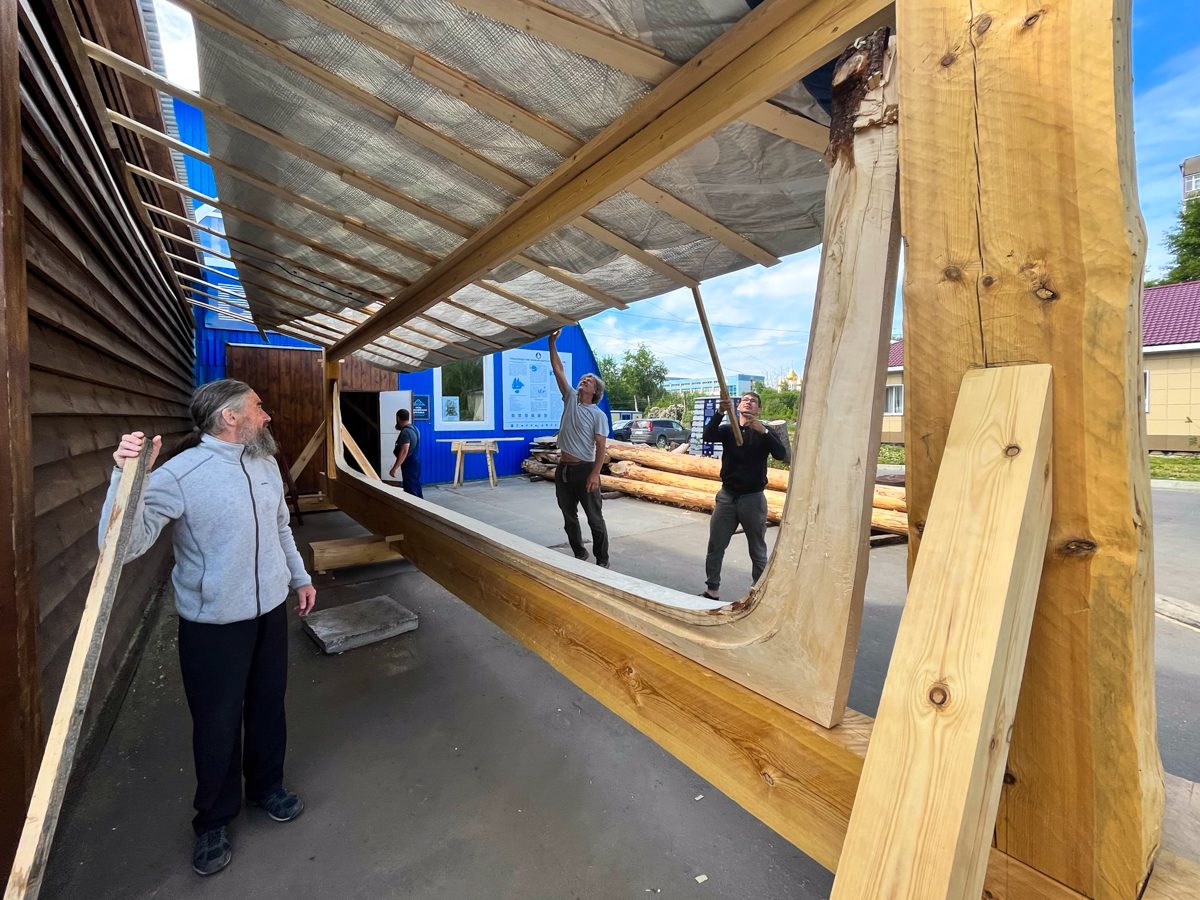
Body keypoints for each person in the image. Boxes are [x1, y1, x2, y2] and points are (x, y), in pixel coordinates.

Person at [100, 379, 316, 878]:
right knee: (217, 723)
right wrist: (125, 478)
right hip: (213, 624)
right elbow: (124, 546)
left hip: (269, 611)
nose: (267, 414)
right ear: (230, 417)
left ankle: (267, 788)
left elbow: (281, 528)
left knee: (268, 706)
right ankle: (214, 820)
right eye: (258, 407)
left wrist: (299, 578)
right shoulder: (181, 474)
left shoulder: (264, 464)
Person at [700, 391, 787, 599]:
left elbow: (781, 454)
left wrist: (764, 432)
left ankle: (758, 594)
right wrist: (720, 412)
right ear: (738, 407)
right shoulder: (728, 430)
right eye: (745, 400)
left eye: (753, 401)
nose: (748, 402)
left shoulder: (764, 432)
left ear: (758, 410)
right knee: (716, 545)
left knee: (757, 550)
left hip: (753, 499)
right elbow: (707, 436)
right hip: (727, 497)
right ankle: (712, 590)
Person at [548, 329, 610, 567]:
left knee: (594, 518)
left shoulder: (598, 415)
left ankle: (602, 560)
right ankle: (579, 554)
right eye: (583, 378)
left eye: (589, 380)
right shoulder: (570, 398)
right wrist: (552, 343)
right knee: (569, 517)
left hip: (585, 470)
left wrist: (595, 473)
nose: (584, 379)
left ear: (595, 392)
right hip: (564, 470)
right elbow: (558, 369)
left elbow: (601, 446)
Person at [387, 407, 423, 497]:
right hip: (416, 462)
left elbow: (404, 451)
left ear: (398, 418)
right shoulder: (415, 429)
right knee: (416, 486)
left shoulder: (405, 432)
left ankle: (413, 505)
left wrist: (394, 468)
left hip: (409, 464)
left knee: (410, 490)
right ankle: (420, 504)